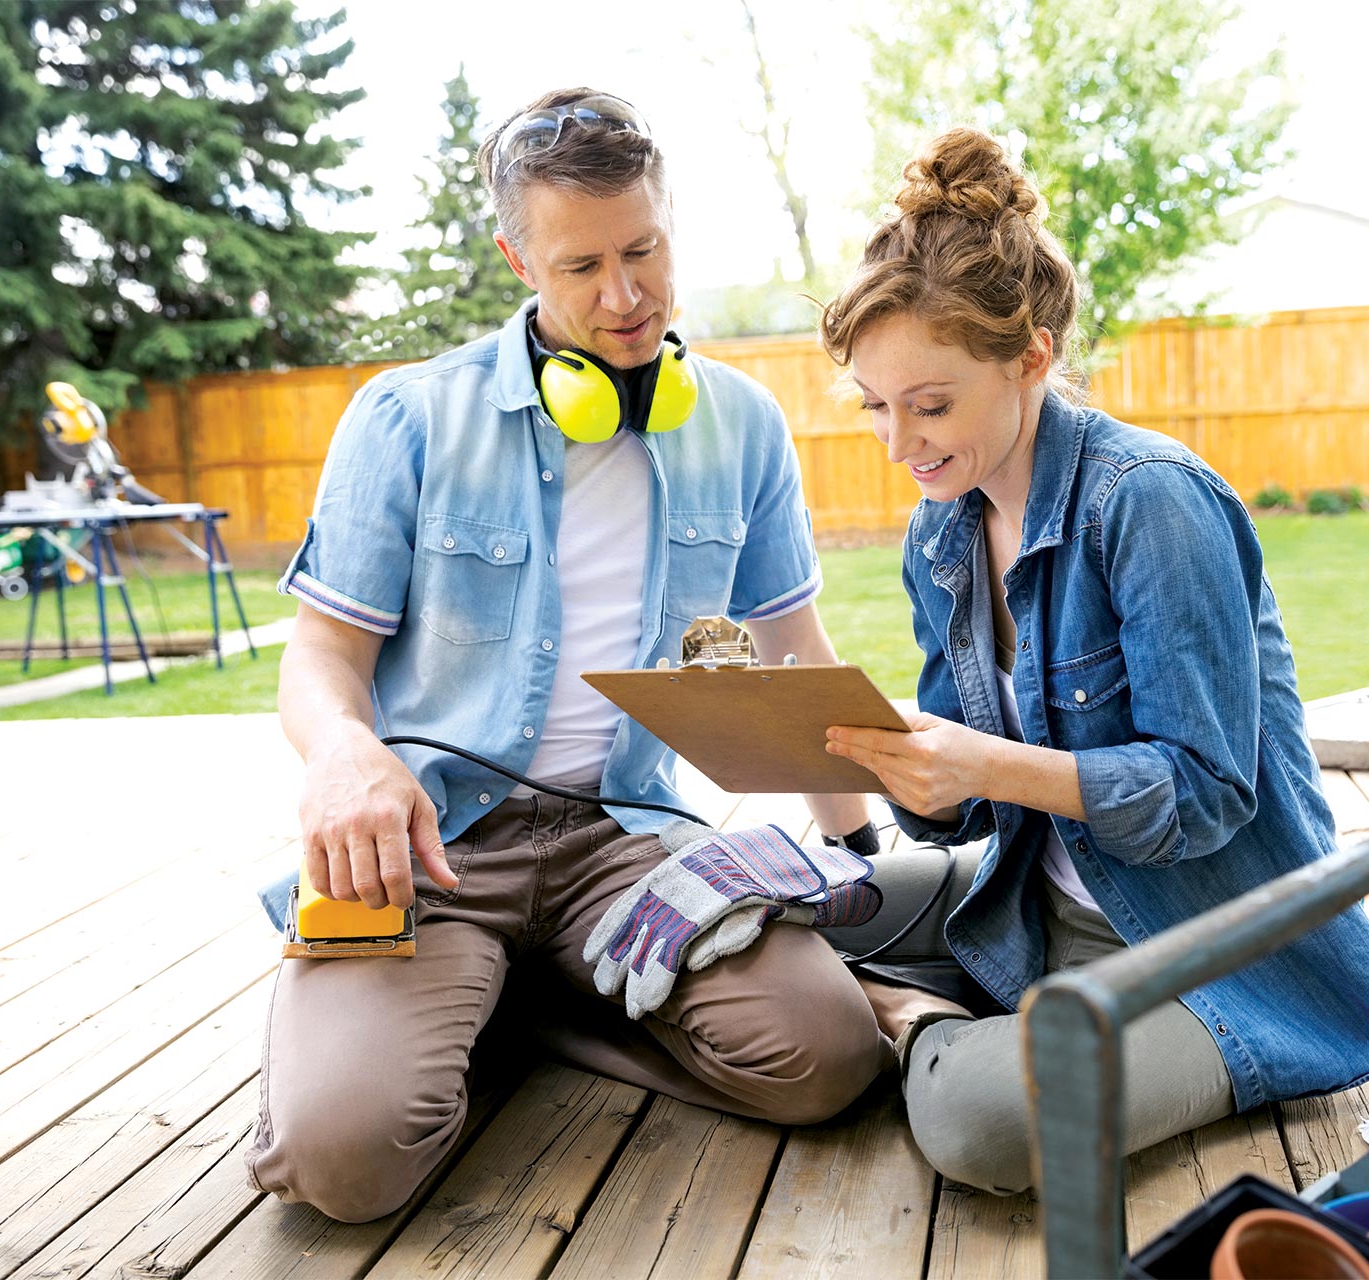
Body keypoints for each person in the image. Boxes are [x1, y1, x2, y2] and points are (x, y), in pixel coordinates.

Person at [247, 88, 890, 1222]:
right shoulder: (405, 418)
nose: (626, 293)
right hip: (433, 847)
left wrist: (867, 853)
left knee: (828, 1055)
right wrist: (345, 751)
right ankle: (486, 988)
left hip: (624, 842)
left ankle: (540, 998)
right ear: (516, 258)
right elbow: (320, 657)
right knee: (342, 1162)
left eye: (643, 248)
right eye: (581, 265)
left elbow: (795, 656)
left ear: (670, 223)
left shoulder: (740, 424)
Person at [819, 128, 1369, 1196]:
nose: (899, 442)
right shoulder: (941, 532)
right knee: (783, 904)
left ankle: (909, 1019)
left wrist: (985, 766)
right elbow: (958, 815)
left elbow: (1209, 791)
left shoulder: (1148, 500)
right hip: (1034, 899)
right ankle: (937, 1003)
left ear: (1031, 358)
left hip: (1213, 947)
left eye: (932, 403)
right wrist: (898, 762)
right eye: (876, 405)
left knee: (984, 1121)